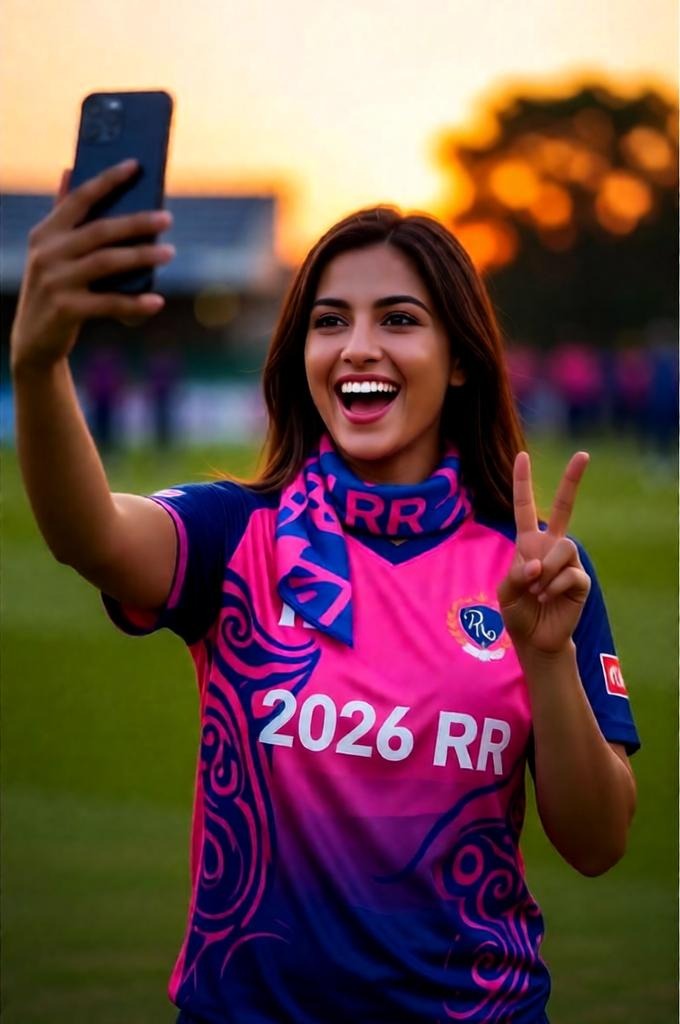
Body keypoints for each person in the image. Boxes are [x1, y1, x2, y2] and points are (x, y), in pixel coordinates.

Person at [11, 161, 639, 1024]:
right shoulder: (236, 535)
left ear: (461, 359)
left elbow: (599, 842)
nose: (357, 347)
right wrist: (40, 362)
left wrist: (547, 657)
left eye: (399, 320)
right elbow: (89, 534)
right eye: (329, 321)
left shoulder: (537, 572)